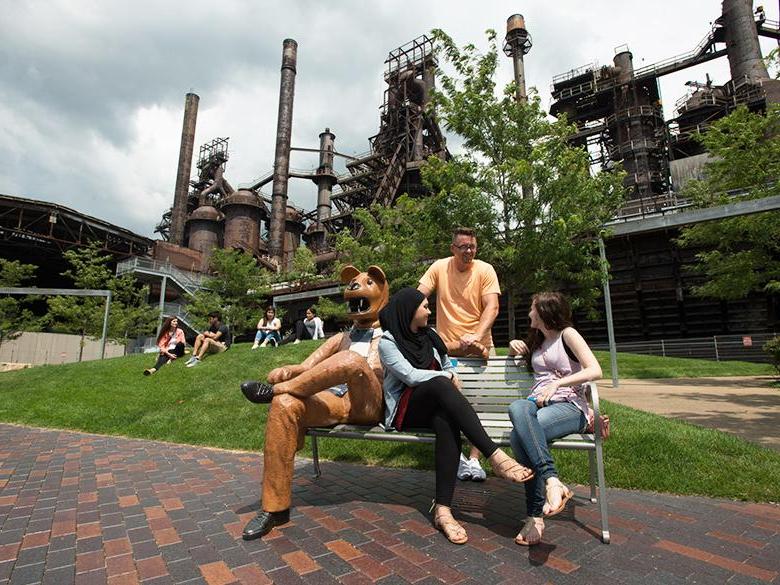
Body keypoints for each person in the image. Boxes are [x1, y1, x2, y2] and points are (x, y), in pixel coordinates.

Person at [378, 288, 534, 545]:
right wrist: (447, 377)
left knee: (446, 421)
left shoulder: (430, 336)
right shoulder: (388, 341)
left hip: (434, 403)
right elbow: (410, 376)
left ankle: (443, 510)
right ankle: (494, 455)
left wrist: (451, 373)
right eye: (425, 307)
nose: (429, 311)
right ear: (409, 311)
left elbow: (446, 363)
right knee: (441, 385)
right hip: (406, 408)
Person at [507, 292, 602, 546]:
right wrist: (513, 347)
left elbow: (595, 369)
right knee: (517, 407)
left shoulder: (567, 335)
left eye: (532, 308)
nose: (528, 313)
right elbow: (525, 361)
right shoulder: (537, 341)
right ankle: (552, 481)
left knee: (519, 438)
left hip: (570, 407)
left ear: (544, 312)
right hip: (535, 406)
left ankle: (535, 516)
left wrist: (559, 382)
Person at [418, 227, 500, 482]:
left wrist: (476, 334)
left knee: (481, 404)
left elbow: (492, 306)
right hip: (449, 349)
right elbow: (418, 296)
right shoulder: (439, 268)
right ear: (453, 248)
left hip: (480, 347)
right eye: (463, 247)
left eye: (472, 247)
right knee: (452, 404)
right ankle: (457, 456)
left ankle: (474, 459)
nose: (469, 252)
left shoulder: (485, 270)